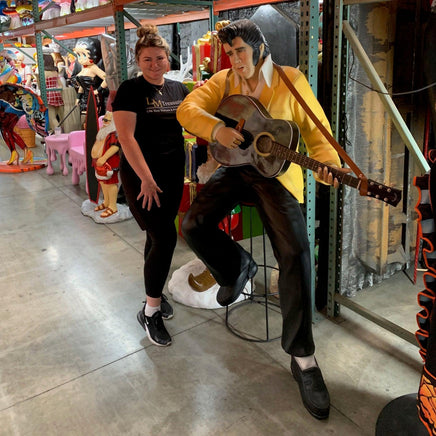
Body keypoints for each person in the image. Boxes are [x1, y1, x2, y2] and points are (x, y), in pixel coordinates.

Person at [177, 19, 348, 420]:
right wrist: (216, 129)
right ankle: (238, 267)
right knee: (193, 225)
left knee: (295, 255)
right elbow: (188, 109)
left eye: (240, 51)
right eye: (230, 53)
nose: (235, 60)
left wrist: (327, 164)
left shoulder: (290, 80)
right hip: (237, 167)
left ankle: (303, 358)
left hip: (279, 177)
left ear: (259, 47)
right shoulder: (223, 80)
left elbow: (317, 131)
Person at [112, 24, 189, 347]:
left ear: (168, 59)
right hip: (143, 176)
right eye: (147, 59)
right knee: (166, 237)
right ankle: (151, 311)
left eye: (159, 58)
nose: (155, 64)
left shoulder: (179, 90)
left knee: (156, 236)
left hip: (172, 174)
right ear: (138, 61)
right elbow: (126, 138)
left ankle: (152, 293)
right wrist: (145, 178)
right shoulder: (130, 90)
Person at [91, 111, 120, 218]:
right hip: (99, 163)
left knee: (111, 183)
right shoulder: (104, 131)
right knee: (103, 182)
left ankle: (113, 206)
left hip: (109, 163)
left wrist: (104, 157)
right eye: (103, 119)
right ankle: (107, 202)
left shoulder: (114, 133)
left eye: (107, 120)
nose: (104, 122)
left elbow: (115, 147)